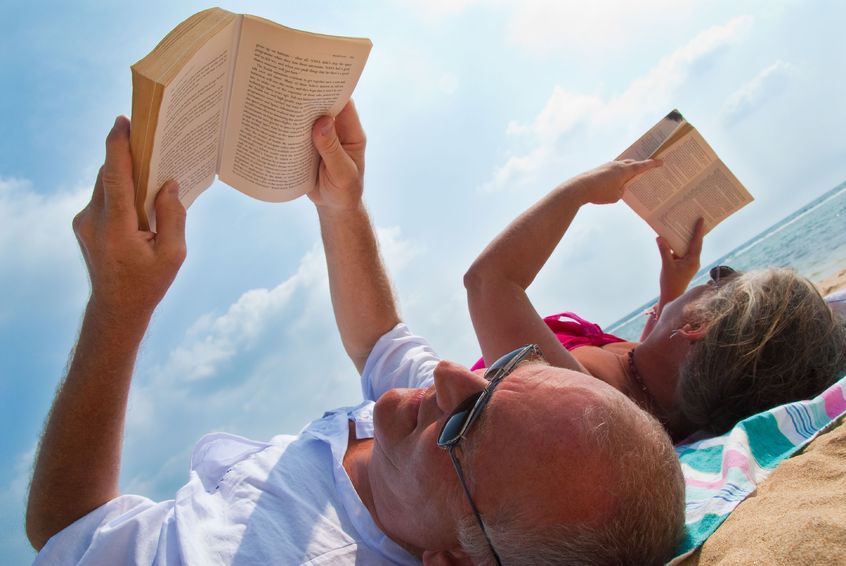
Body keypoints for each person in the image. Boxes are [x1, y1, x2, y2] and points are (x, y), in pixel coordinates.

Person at [25, 105, 685, 565]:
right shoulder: (438, 451)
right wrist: (341, 202)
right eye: (505, 368)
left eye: (468, 425)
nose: (456, 373)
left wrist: (118, 305)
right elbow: (380, 340)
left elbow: (68, 534)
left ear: (455, 560)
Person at [464, 160, 846, 440]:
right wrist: (671, 290)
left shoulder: (582, 397)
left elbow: (488, 282)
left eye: (722, 280)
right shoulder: (666, 395)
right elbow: (657, 357)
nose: (713, 274)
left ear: (697, 326)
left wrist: (580, 190)